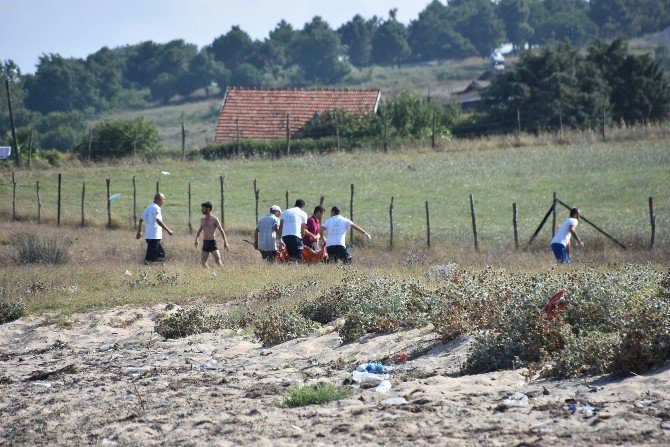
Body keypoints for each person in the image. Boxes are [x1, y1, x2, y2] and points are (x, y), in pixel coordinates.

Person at [136, 193, 173, 263]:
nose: (164, 201)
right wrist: (168, 230)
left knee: (160, 254)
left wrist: (139, 232)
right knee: (151, 258)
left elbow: (141, 219)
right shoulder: (157, 208)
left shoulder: (148, 207)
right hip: (154, 236)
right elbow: (158, 221)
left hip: (149, 236)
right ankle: (146, 270)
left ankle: (158, 270)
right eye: (163, 199)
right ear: (159, 199)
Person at [194, 201, 229, 267]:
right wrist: (196, 240)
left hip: (212, 243)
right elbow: (199, 231)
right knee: (203, 263)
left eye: (203, 208)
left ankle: (223, 274)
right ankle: (209, 273)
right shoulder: (202, 220)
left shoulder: (215, 220)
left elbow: (221, 231)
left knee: (218, 260)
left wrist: (225, 242)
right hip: (205, 243)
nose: (202, 210)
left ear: (208, 209)